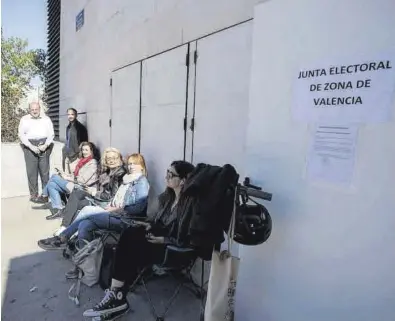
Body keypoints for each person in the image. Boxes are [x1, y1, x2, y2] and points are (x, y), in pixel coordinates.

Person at [82, 161, 195, 318]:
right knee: (130, 234)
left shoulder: (190, 205)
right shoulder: (167, 198)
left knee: (129, 241)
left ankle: (117, 297)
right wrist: (149, 225)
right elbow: (159, 223)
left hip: (171, 250)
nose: (166, 177)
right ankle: (117, 296)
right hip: (156, 241)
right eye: (167, 173)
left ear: (183, 180)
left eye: (171, 174)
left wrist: (164, 240)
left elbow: (189, 239)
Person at [37, 153, 151, 259]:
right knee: (84, 224)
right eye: (130, 164)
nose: (131, 166)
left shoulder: (141, 182)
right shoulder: (128, 179)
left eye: (134, 164)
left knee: (87, 211)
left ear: (141, 166)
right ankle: (83, 260)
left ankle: (63, 238)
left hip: (125, 220)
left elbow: (138, 208)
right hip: (113, 212)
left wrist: (118, 208)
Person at [50, 147, 126, 226]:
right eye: (108, 158)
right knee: (75, 196)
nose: (111, 161)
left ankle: (65, 226)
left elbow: (110, 196)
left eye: (114, 158)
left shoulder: (119, 174)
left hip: (105, 204)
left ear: (119, 159)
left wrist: (94, 192)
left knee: (74, 197)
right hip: (99, 197)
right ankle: (65, 226)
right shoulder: (109, 171)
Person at [35, 142, 98, 219]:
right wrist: (65, 175)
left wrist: (67, 178)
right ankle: (60, 210)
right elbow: (75, 176)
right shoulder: (83, 161)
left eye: (86, 150)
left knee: (54, 177)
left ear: (91, 151)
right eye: (83, 150)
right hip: (75, 184)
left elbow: (82, 180)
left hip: (82, 188)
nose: (84, 152)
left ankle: (44, 196)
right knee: (52, 184)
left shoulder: (93, 163)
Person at [18, 102, 55, 202]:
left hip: (44, 145)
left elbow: (51, 134)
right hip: (29, 146)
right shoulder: (24, 119)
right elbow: (21, 135)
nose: (34, 111)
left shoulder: (46, 119)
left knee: (44, 172)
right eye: (32, 109)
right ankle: (34, 195)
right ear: (29, 110)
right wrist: (31, 146)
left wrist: (46, 145)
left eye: (36, 109)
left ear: (40, 109)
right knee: (31, 172)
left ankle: (45, 195)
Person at [62, 108, 88, 174]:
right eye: (68, 114)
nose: (70, 116)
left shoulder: (80, 128)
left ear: (76, 115)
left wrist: (80, 156)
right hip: (68, 156)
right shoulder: (68, 127)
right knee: (67, 176)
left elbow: (84, 143)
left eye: (72, 114)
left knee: (74, 177)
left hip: (75, 157)